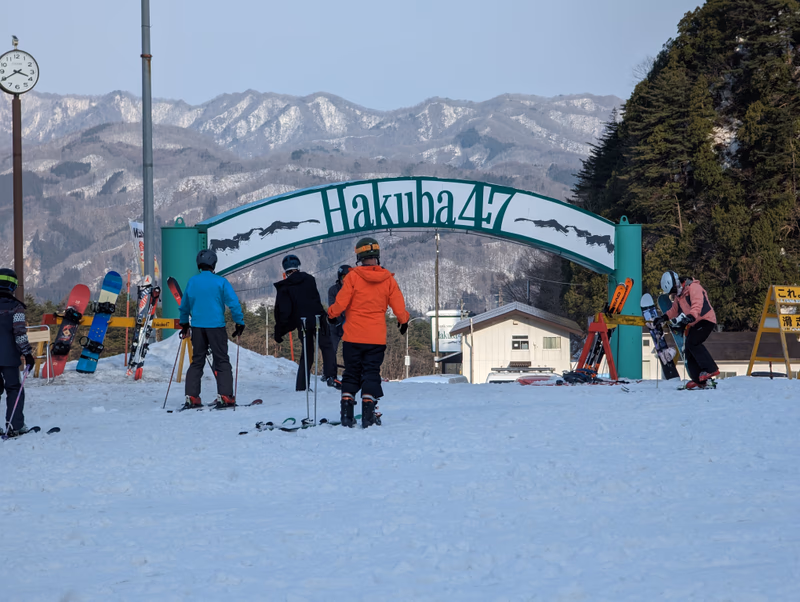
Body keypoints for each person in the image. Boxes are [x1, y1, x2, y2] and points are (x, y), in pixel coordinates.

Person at [328, 237, 410, 428]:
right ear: (377, 256)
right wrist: (403, 321)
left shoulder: (352, 277)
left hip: (352, 336)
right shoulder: (388, 279)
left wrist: (331, 315)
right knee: (371, 373)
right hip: (375, 338)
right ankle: (368, 415)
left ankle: (346, 416)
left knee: (351, 373)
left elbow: (340, 303)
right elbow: (398, 307)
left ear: (359, 256)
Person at [178, 249, 245, 409]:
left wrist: (184, 324)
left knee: (197, 361)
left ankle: (192, 397)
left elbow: (184, 306)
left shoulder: (192, 282)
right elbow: (234, 304)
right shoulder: (220, 282)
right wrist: (239, 322)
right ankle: (225, 396)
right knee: (221, 360)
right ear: (213, 264)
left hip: (198, 327)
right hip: (216, 327)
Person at [273, 254, 338, 391]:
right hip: (318, 318)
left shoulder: (284, 287)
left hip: (302, 322)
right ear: (298, 266)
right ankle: (331, 376)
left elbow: (284, 311)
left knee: (307, 353)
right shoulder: (310, 279)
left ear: (285, 270)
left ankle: (302, 385)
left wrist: (279, 331)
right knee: (327, 347)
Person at [655, 270, 719, 389]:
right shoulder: (679, 296)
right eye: (672, 293)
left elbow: (697, 305)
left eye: (674, 291)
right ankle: (698, 379)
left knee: (694, 342)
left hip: (706, 320)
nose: (674, 294)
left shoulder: (693, 288)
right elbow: (674, 310)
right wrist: (663, 318)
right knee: (688, 348)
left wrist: (690, 317)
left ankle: (711, 369)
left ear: (677, 283)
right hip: (694, 322)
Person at [0, 268, 35, 436]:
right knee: (14, 389)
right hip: (9, 358)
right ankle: (15, 426)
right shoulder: (16, 307)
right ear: (13, 286)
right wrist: (28, 354)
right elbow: (19, 333)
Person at [327, 265, 351, 383]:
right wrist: (338, 320)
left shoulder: (354, 288)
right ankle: (330, 373)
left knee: (350, 349)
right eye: (344, 277)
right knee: (332, 349)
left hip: (350, 323)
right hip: (335, 323)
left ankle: (350, 372)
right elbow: (333, 306)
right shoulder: (333, 290)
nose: (345, 280)